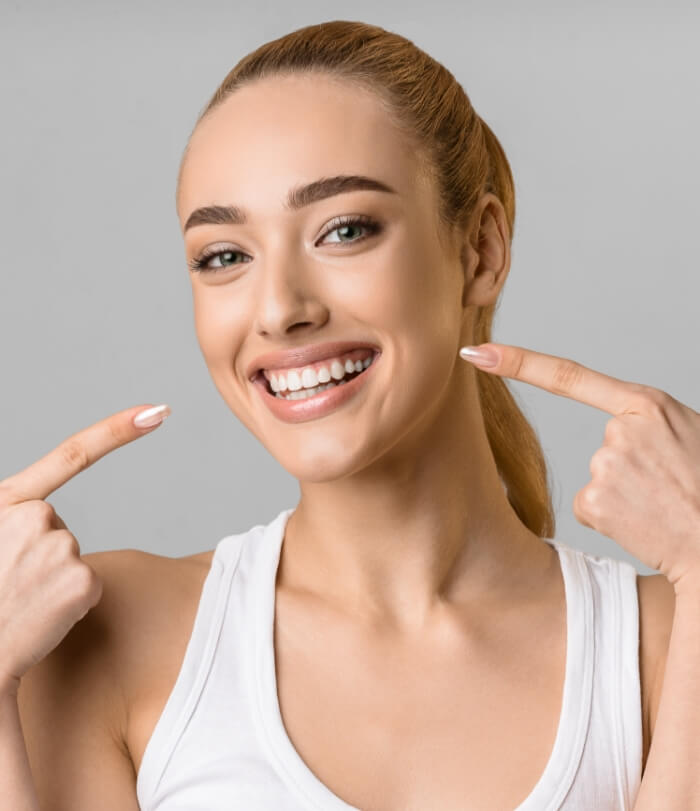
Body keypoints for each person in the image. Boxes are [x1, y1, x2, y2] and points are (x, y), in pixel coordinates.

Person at [1, 19, 680, 811]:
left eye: (344, 230)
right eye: (225, 255)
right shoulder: (107, 637)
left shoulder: (662, 641)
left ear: (482, 252)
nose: (281, 308)